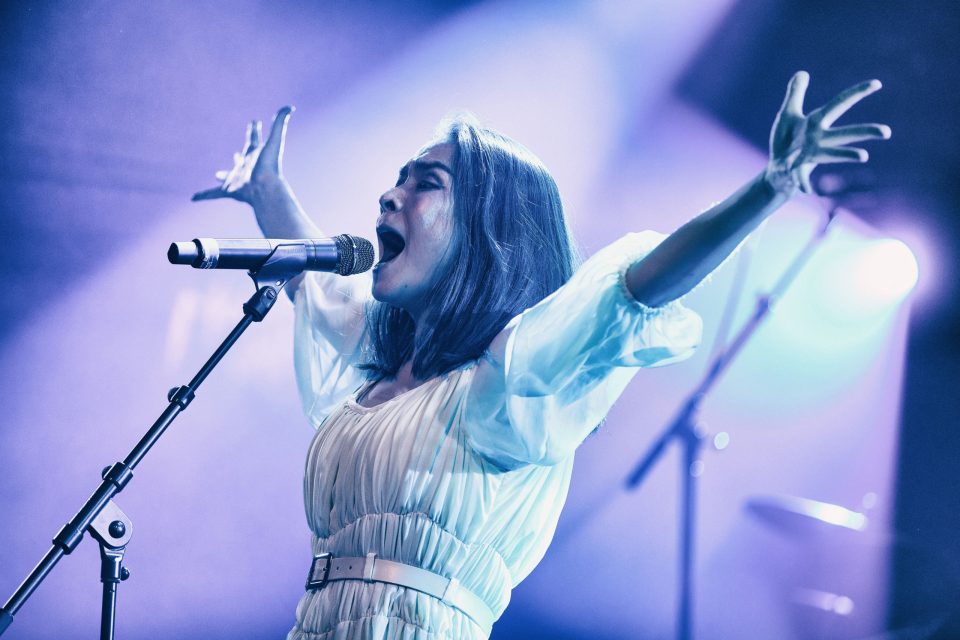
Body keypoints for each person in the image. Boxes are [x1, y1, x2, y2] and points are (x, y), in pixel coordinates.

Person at [193, 71, 889, 639]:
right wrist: (270, 195)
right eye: (398, 179)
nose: (389, 195)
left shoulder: (507, 387)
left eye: (425, 183)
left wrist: (768, 189)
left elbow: (634, 290)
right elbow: (321, 290)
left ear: (488, 231)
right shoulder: (379, 369)